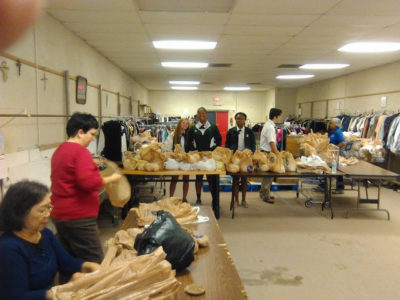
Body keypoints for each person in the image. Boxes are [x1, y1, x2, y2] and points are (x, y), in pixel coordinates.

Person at [0, 180, 100, 300]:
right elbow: (16, 296)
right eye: (42, 210)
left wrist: (89, 266)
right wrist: (64, 289)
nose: (48, 214)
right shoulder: (8, 248)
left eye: (49, 208)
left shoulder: (45, 234)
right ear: (20, 213)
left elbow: (66, 263)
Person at [51, 113, 121, 266]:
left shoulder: (61, 150)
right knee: (93, 262)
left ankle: (69, 289)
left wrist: (90, 164)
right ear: (80, 132)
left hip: (61, 215)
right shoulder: (80, 152)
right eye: (91, 134)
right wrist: (112, 178)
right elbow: (90, 183)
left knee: (70, 263)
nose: (93, 138)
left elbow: (70, 176)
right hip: (78, 217)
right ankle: (92, 290)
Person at [188, 107, 222, 205]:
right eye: (200, 114)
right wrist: (192, 153)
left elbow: (219, 140)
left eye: (203, 114)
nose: (202, 116)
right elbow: (189, 143)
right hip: (198, 157)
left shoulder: (213, 126)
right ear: (197, 115)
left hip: (209, 157)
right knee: (198, 178)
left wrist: (214, 150)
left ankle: (214, 199)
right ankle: (198, 198)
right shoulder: (193, 128)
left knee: (210, 178)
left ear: (206, 115)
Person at [225, 112, 256, 208]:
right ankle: (236, 200)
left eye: (242, 119)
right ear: (235, 120)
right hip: (235, 159)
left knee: (244, 180)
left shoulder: (249, 132)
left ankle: (243, 200)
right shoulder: (231, 131)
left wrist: (251, 153)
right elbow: (227, 145)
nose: (240, 120)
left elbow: (253, 144)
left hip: (246, 159)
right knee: (235, 180)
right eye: (238, 118)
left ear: (245, 120)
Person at [259, 108, 282, 204]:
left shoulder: (268, 125)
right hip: (268, 153)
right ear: (276, 117)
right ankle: (265, 196)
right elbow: (272, 142)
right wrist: (277, 154)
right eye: (280, 116)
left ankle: (264, 193)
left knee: (268, 175)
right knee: (268, 176)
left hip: (266, 152)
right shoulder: (270, 127)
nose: (281, 118)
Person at [165, 118, 190, 202]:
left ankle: (184, 198)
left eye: (187, 124)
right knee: (174, 179)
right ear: (179, 123)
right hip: (175, 160)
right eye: (183, 123)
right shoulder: (172, 135)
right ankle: (171, 197)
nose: (185, 125)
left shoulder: (188, 135)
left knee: (186, 179)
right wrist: (173, 155)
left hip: (185, 159)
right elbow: (167, 147)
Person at [328, 118, 346, 194]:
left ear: (336, 124)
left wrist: (335, 148)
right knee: (331, 169)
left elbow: (343, 142)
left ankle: (340, 188)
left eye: (331, 123)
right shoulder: (332, 132)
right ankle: (324, 185)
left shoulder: (338, 132)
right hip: (332, 154)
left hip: (337, 154)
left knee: (338, 171)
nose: (330, 124)